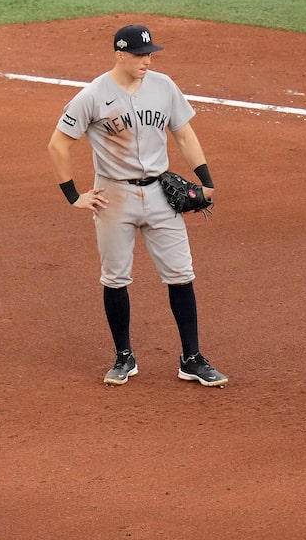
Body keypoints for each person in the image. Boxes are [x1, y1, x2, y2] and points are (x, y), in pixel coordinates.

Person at [47, 24, 228, 387]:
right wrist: (74, 196)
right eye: (139, 55)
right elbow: (58, 144)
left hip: (161, 193)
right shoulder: (93, 96)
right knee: (115, 278)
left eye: (149, 55)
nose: (146, 61)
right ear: (119, 55)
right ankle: (123, 357)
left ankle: (192, 359)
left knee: (181, 274)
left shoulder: (164, 86)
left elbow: (184, 134)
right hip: (114, 196)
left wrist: (206, 180)